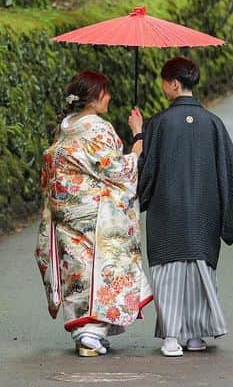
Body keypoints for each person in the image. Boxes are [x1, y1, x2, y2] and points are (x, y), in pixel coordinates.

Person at [132, 57, 233, 357]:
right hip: (204, 215)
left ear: (173, 84)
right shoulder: (214, 124)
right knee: (200, 271)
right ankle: (195, 335)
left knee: (168, 273)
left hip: (167, 213)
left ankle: (171, 337)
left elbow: (145, 171)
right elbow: (230, 178)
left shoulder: (159, 124)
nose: (162, 88)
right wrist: (228, 222)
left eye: (163, 83)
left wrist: (138, 133)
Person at [35, 70, 153, 357]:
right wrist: (137, 141)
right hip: (96, 216)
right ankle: (90, 333)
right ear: (94, 98)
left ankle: (84, 333)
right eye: (106, 93)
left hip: (66, 213)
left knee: (78, 272)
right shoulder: (98, 128)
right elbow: (116, 171)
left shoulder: (65, 127)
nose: (110, 97)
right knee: (104, 270)